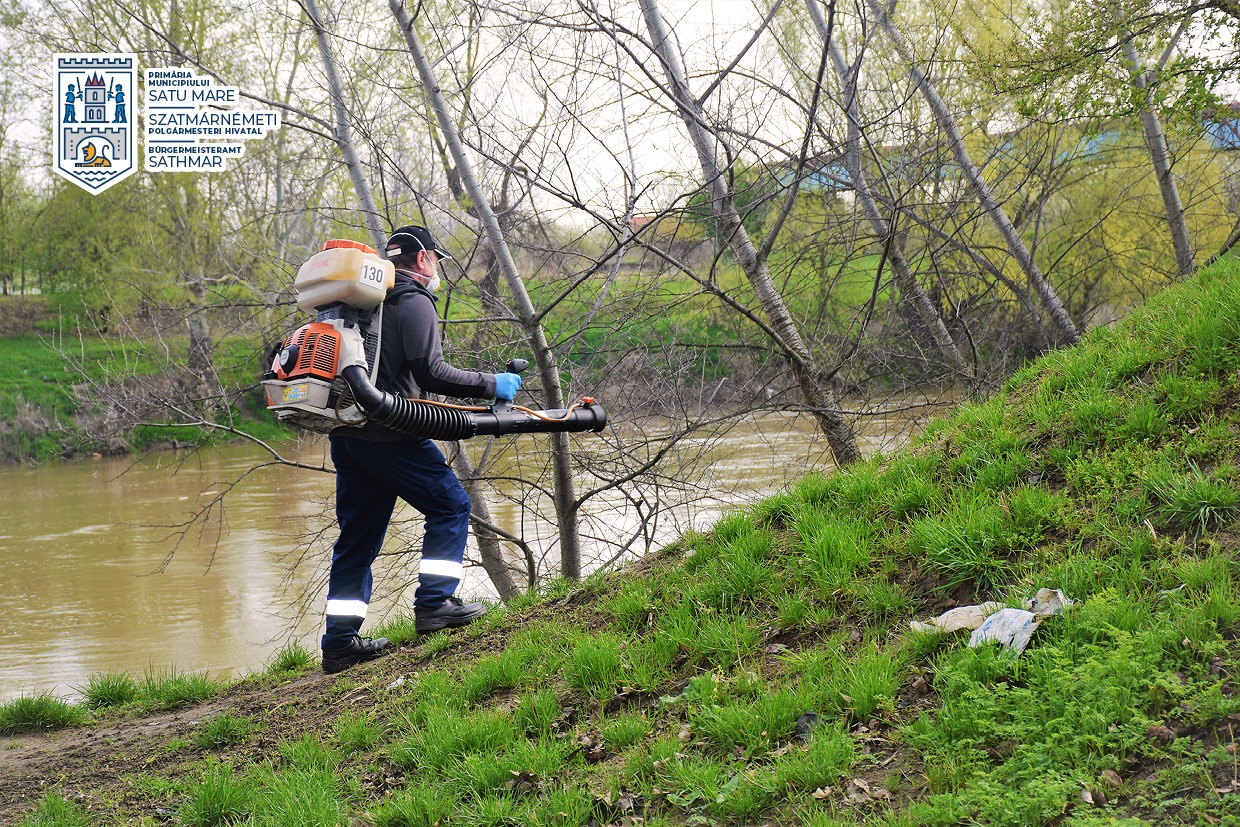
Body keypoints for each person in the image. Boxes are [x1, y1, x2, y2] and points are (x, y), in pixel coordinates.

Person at [320, 225, 523, 674]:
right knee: (451, 505)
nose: (437, 268)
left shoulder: (361, 304)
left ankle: (339, 644)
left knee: (357, 540)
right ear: (423, 258)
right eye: (436, 259)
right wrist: (493, 383)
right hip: (391, 433)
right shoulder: (411, 300)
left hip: (348, 433)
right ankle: (435, 604)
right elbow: (431, 372)